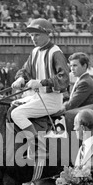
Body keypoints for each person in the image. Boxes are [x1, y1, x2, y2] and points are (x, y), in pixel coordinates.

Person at [11, 18, 69, 160]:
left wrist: (42, 82)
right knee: (11, 105)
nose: (33, 38)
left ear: (47, 34)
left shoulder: (56, 52)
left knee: (17, 114)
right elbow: (25, 70)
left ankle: (37, 146)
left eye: (36, 35)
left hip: (51, 99)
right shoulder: (35, 52)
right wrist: (20, 78)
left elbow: (64, 78)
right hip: (37, 97)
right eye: (31, 35)